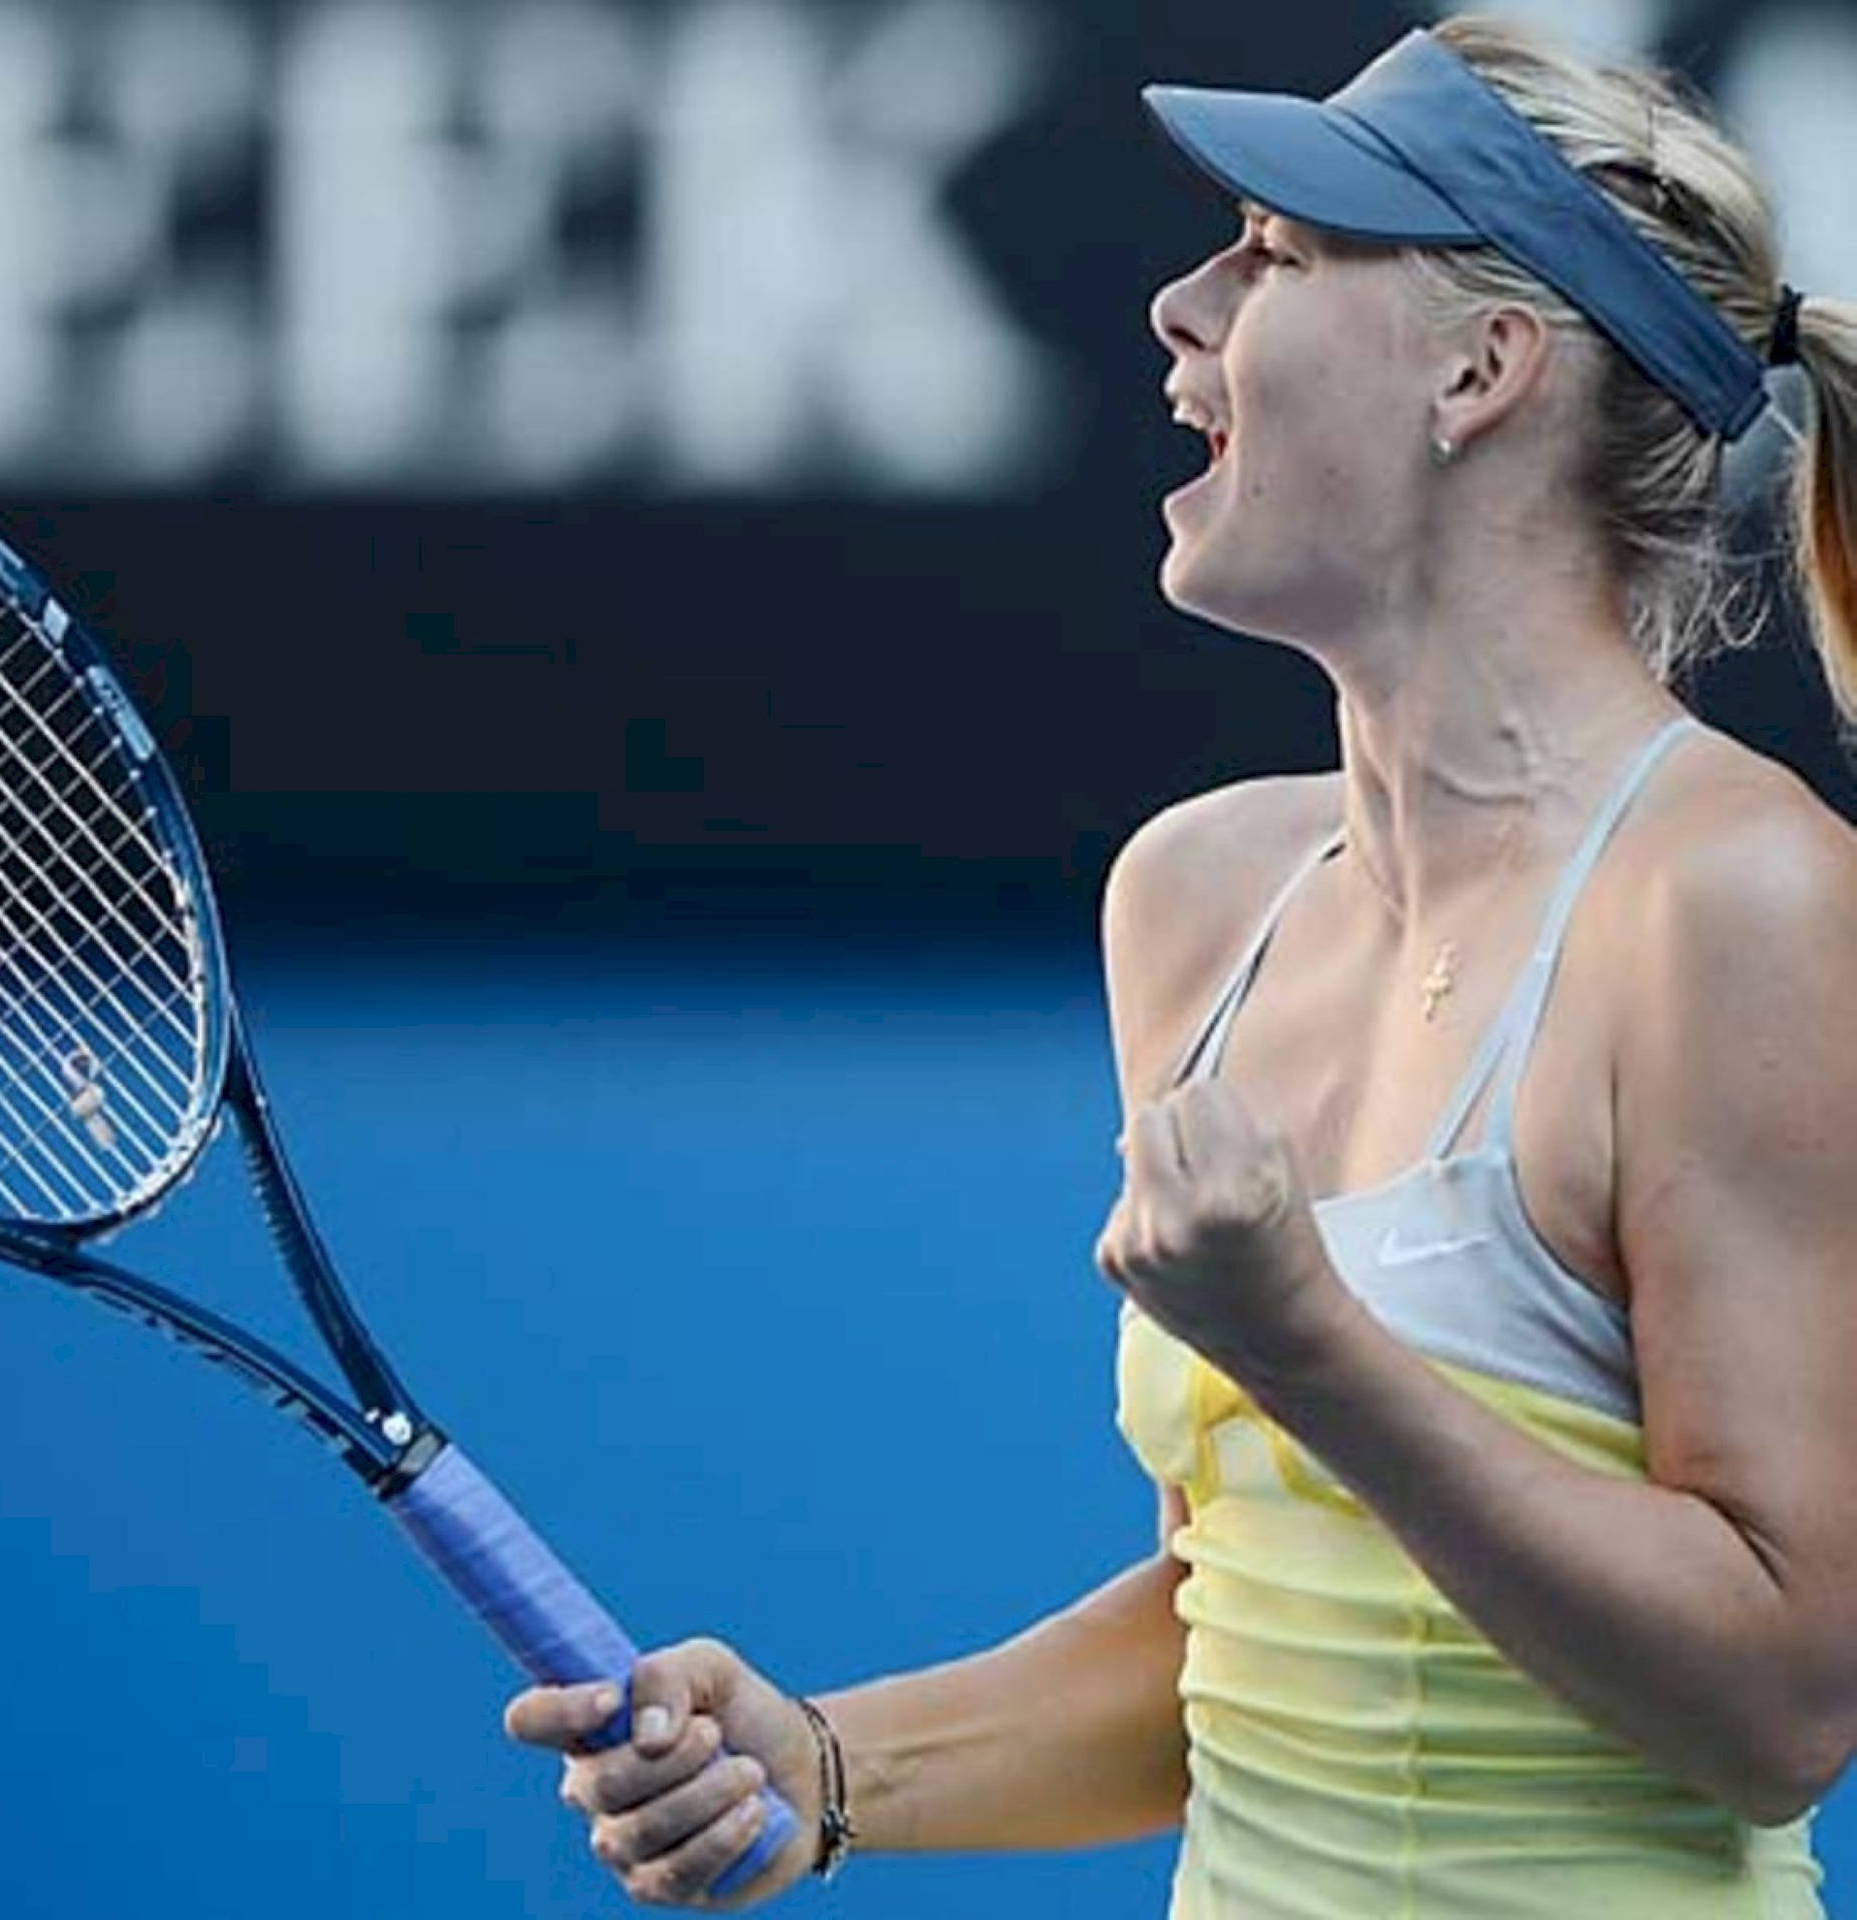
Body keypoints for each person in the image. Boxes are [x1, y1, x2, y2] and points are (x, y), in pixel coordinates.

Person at [505, 16, 1857, 1915]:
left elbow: (1778, 1702)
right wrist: (833, 1764)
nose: (1181, 305)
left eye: (1279, 255)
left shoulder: (1742, 903)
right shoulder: (1199, 901)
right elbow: (1246, 1625)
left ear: (1483, 367)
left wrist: (1306, 1339)